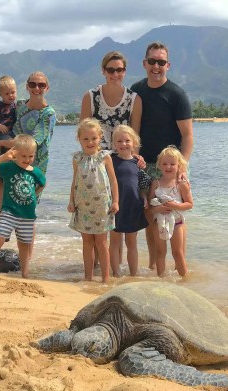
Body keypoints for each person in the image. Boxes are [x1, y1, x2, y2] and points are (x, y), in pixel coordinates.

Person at [130, 41, 194, 269]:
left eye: (161, 62)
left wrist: (182, 168)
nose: (156, 66)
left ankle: (180, 264)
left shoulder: (177, 95)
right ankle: (154, 265)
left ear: (168, 65)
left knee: (176, 214)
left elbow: (187, 136)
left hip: (172, 165)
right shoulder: (136, 91)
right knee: (150, 215)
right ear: (144, 63)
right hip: (144, 163)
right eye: (152, 61)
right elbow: (133, 130)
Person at [80, 50, 143, 265]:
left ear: (125, 71)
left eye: (120, 70)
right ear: (103, 71)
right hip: (96, 163)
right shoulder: (91, 96)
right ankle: (98, 265)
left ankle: (113, 269)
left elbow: (135, 136)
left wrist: (136, 160)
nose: (115, 74)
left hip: (122, 164)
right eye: (111, 70)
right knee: (97, 212)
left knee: (117, 215)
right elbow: (83, 132)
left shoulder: (134, 99)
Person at [0, 71, 56, 255]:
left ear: (47, 88)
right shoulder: (18, 106)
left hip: (32, 169)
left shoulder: (48, 114)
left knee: (26, 216)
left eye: (41, 85)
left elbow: (34, 142)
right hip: (8, 163)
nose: (36, 88)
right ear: (26, 86)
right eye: (32, 84)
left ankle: (26, 263)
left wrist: (2, 142)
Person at [0, 135, 46, 278]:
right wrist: (5, 156)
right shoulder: (9, 167)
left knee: (24, 245)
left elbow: (43, 184)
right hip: (9, 212)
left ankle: (25, 273)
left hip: (27, 214)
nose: (27, 159)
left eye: (30, 156)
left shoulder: (35, 171)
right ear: (16, 153)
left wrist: (34, 195)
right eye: (23, 156)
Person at [68, 118, 119, 283]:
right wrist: (71, 201)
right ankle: (88, 277)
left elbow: (113, 181)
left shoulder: (104, 157)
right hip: (82, 205)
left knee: (102, 242)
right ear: (79, 139)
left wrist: (115, 201)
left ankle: (105, 278)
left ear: (100, 137)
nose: (90, 142)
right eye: (86, 139)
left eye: (93, 138)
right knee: (87, 241)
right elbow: (75, 181)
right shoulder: (77, 158)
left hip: (102, 206)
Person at [109, 125, 151, 277]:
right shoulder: (110, 161)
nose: (123, 144)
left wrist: (145, 198)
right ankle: (115, 273)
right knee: (114, 241)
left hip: (133, 206)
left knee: (131, 243)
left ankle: (133, 275)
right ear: (114, 144)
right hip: (115, 207)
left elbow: (142, 185)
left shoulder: (138, 163)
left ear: (134, 142)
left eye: (127, 140)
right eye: (119, 141)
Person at [148, 146, 193, 278]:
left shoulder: (181, 184)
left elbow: (190, 204)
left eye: (172, 164)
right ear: (159, 165)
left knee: (177, 252)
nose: (168, 167)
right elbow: (150, 205)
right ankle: (161, 278)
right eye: (165, 164)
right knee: (160, 251)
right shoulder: (156, 183)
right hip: (159, 221)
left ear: (179, 165)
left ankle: (184, 279)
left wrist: (175, 205)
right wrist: (157, 209)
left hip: (177, 222)